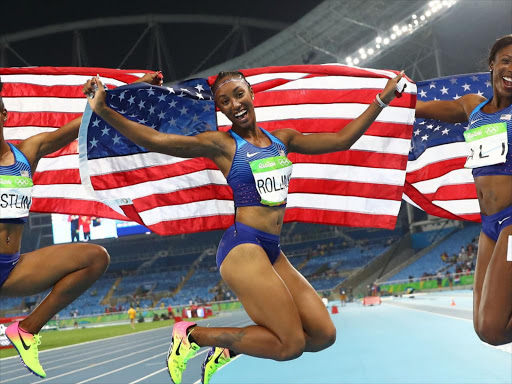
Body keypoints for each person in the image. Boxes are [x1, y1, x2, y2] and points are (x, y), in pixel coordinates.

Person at [84, 68, 405, 384]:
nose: (234, 104)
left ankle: (228, 349)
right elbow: (157, 140)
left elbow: (342, 140)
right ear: (220, 108)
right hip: (243, 246)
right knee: (290, 344)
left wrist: (382, 99)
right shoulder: (223, 144)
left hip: (271, 249)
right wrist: (103, 109)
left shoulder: (282, 139)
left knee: (322, 335)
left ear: (251, 94)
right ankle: (192, 335)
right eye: (224, 101)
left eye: (238, 94)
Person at [0, 72, 162, 378]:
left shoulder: (27, 152)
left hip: (13, 268)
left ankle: (26, 330)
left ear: (4, 114)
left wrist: (136, 86)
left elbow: (86, 120)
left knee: (95, 258)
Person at [415, 34, 512, 346]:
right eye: (506, 61)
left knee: (494, 329)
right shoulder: (473, 107)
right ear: (492, 65)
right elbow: (418, 109)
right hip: (490, 228)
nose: (511, 69)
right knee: (482, 329)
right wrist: (384, 99)